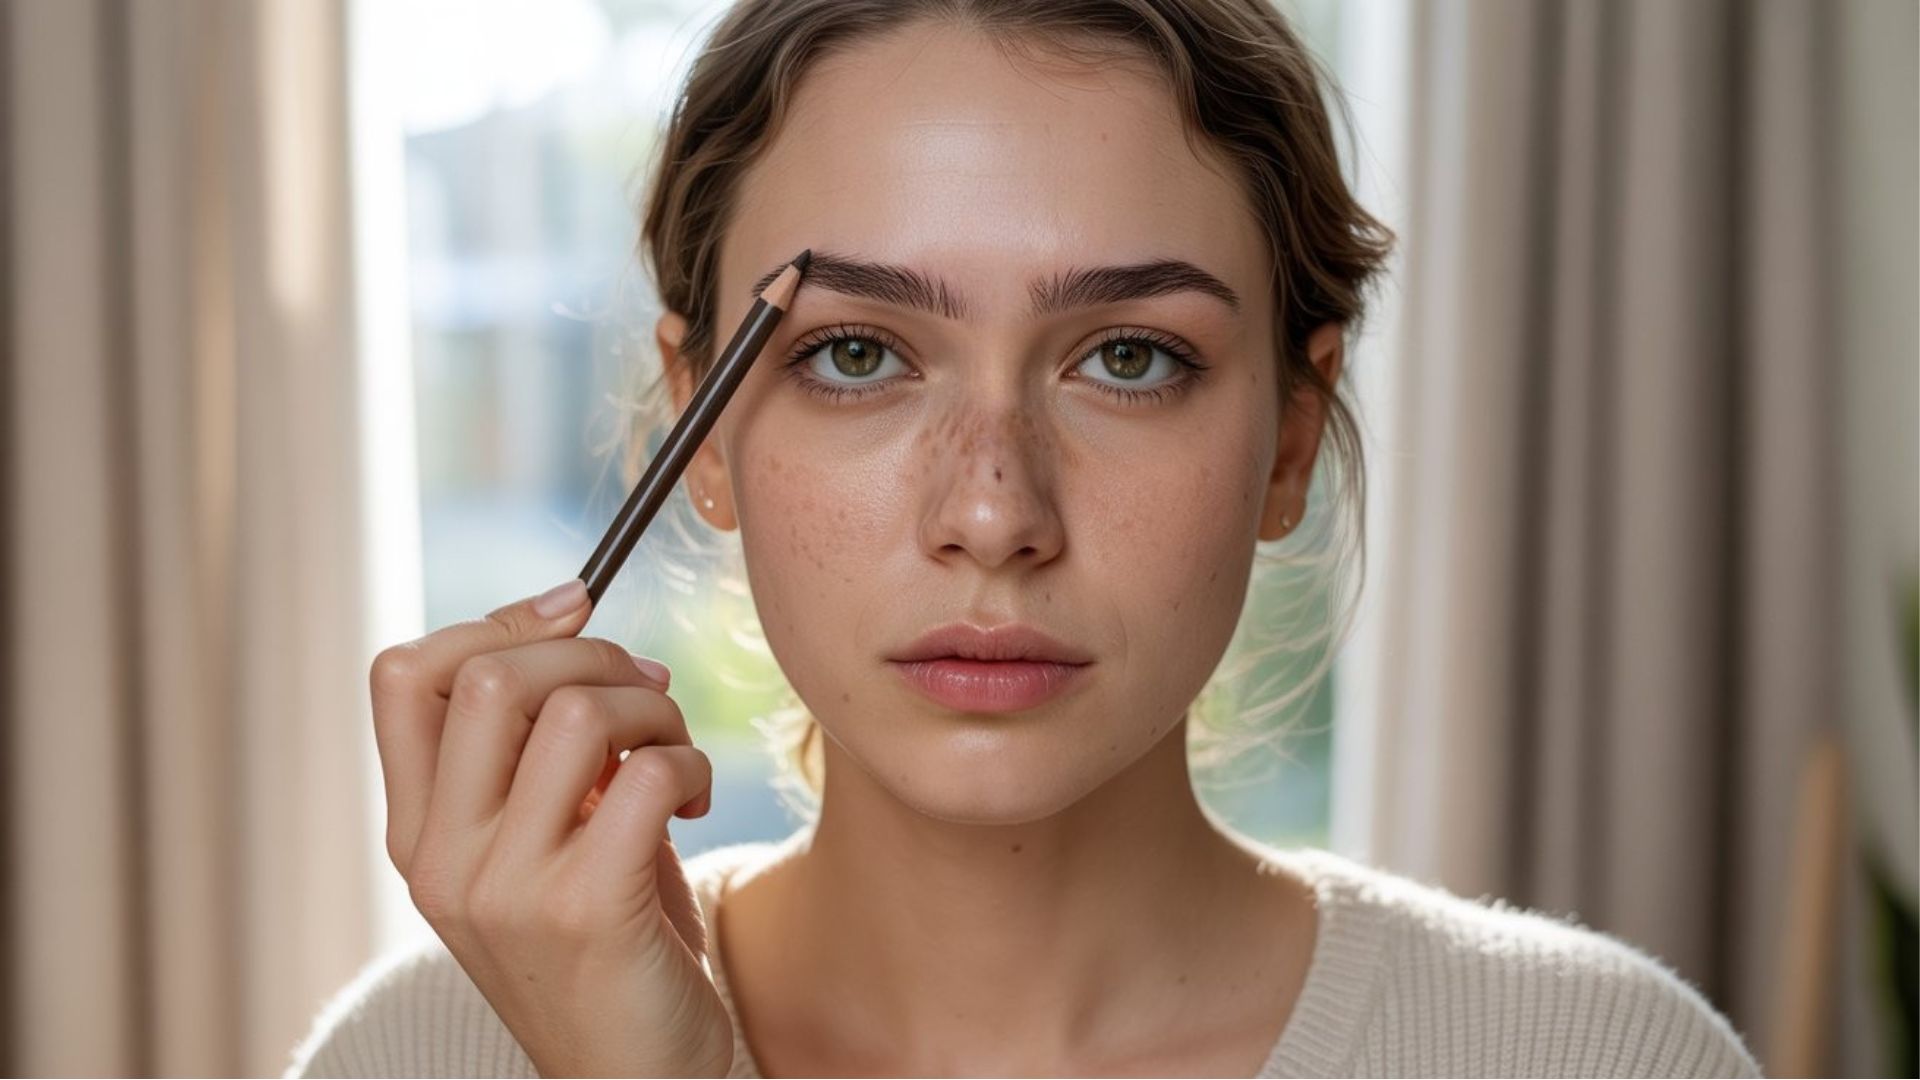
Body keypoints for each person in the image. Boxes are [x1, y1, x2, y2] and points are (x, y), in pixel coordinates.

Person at [286, 0, 1763, 1075]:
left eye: (1128, 357)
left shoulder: (1598, 1055)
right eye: (857, 355)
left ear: (1290, 438)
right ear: (705, 427)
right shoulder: (416, 1058)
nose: (993, 511)